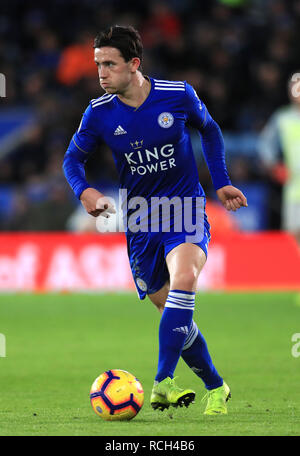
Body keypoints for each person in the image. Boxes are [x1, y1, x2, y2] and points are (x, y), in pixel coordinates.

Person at [63, 25, 247, 415]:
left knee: (184, 281)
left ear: (134, 64)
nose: (101, 73)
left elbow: (210, 130)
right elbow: (71, 159)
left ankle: (162, 381)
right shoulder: (98, 113)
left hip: (185, 209)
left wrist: (223, 182)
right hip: (140, 220)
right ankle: (216, 385)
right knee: (174, 315)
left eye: (109, 64)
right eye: (98, 65)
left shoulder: (177, 95)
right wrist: (85, 191)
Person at [259, 72, 300, 245]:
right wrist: (274, 166)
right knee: (293, 236)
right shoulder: (283, 117)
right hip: (294, 189)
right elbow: (264, 144)